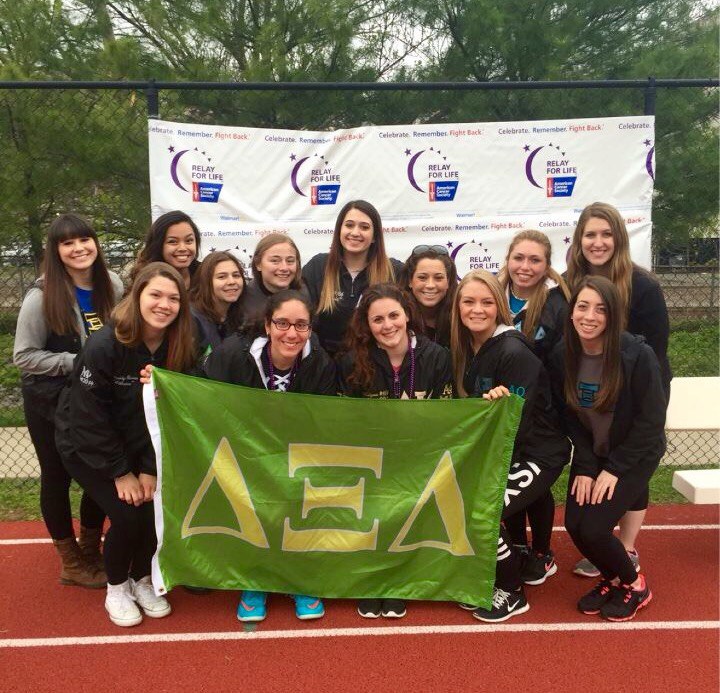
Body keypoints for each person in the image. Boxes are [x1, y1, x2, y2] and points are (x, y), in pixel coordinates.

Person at [55, 262, 197, 627]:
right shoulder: (105, 344)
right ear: (137, 296)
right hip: (87, 445)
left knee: (155, 507)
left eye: (173, 298)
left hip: (141, 444)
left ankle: (142, 579)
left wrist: (149, 468)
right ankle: (116, 587)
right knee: (128, 514)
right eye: (155, 295)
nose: (164, 305)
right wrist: (121, 473)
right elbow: (89, 418)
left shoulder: (179, 345)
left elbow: (170, 414)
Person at [203, 290, 336, 622]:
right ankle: (255, 580)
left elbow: (324, 419)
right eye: (282, 323)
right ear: (267, 324)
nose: (292, 334)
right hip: (245, 451)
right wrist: (158, 383)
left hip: (297, 452)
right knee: (252, 506)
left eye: (301, 325)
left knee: (300, 504)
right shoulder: (234, 353)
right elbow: (204, 396)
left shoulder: (319, 360)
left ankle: (300, 579)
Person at [450, 270, 570, 622]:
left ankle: (512, 591)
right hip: (510, 451)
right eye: (468, 301)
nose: (477, 309)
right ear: (457, 307)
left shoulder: (513, 350)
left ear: (499, 306)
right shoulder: (469, 346)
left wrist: (489, 471)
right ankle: (528, 559)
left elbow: (519, 421)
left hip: (537, 452)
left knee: (482, 511)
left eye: (487, 302)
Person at [13, 213, 123, 588]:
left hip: (95, 398)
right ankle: (70, 560)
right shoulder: (41, 296)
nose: (78, 248)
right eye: (67, 243)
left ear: (96, 243)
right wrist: (74, 362)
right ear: (56, 251)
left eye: (84, 239)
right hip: (49, 399)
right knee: (56, 477)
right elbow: (24, 356)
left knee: (99, 471)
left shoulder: (114, 285)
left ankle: (91, 550)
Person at [548, 275, 665, 621]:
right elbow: (570, 419)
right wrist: (585, 465)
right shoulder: (562, 354)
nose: (590, 316)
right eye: (582, 306)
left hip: (635, 453)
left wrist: (614, 468)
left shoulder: (636, 354)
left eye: (600, 309)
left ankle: (635, 584)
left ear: (613, 316)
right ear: (571, 312)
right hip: (594, 452)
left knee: (595, 528)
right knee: (574, 523)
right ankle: (613, 578)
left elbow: (651, 421)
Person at [566, 201, 671, 578]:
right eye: (590, 234)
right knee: (601, 458)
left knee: (629, 468)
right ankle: (604, 542)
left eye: (606, 234)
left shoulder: (642, 286)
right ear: (579, 241)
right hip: (592, 392)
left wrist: (643, 403)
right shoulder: (571, 281)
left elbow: (656, 355)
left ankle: (625, 547)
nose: (598, 242)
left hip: (641, 391)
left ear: (619, 239)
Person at [337, 283, 453, 619]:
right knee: (374, 516)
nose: (387, 325)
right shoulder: (350, 363)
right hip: (372, 460)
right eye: (377, 320)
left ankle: (400, 580)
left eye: (393, 315)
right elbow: (345, 420)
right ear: (366, 324)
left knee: (408, 516)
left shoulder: (437, 356)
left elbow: (445, 415)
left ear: (407, 316)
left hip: (419, 459)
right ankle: (374, 580)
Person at [496, 230, 570, 585]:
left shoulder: (556, 305)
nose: (525, 267)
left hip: (541, 414)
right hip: (501, 406)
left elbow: (560, 365)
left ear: (546, 266)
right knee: (508, 471)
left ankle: (543, 552)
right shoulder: (493, 296)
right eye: (519, 258)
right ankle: (521, 546)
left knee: (533, 482)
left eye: (535, 260)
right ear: (508, 258)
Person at [303, 200, 403, 356]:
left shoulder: (394, 271)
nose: (355, 232)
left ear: (375, 236)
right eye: (349, 225)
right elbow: (303, 321)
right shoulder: (317, 267)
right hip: (325, 366)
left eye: (364, 227)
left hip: (375, 366)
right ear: (339, 230)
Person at [397, 245, 457, 347]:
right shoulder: (397, 320)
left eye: (438, 278)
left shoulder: (460, 319)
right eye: (422, 277)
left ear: (448, 282)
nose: (430, 285)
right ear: (410, 281)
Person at [189, 250, 246, 350]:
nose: (232, 282)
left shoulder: (241, 316)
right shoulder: (191, 319)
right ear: (206, 282)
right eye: (222, 277)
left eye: (236, 275)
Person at [244, 233, 306, 323]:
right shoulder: (243, 299)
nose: (284, 268)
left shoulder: (307, 293)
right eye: (275, 261)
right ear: (258, 264)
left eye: (290, 261)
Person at [130, 211, 201, 289]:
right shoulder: (145, 280)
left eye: (189, 240)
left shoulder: (206, 274)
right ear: (158, 245)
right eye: (173, 241)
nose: (182, 248)